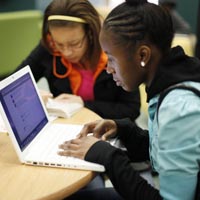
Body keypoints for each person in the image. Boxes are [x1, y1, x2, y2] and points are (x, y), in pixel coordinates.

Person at [58, 0, 200, 199]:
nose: (108, 68)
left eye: (112, 58)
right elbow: (167, 146)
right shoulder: (175, 78)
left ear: (143, 54)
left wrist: (108, 156)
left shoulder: (179, 108)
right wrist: (126, 130)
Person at [14, 0, 140, 121]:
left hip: (111, 131)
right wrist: (31, 96)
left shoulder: (113, 49)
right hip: (66, 129)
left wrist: (83, 103)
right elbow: (13, 86)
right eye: (59, 44)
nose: (66, 52)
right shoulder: (49, 47)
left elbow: (131, 109)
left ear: (90, 33)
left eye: (74, 43)